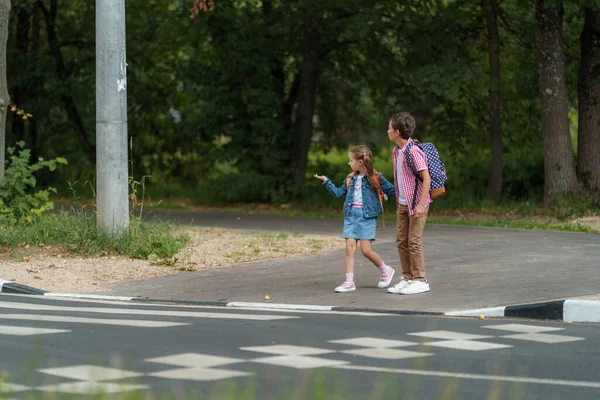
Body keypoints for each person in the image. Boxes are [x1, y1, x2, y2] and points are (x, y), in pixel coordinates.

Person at [313, 145, 396, 293]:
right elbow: (339, 193)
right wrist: (326, 181)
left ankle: (386, 270)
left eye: (351, 160)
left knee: (366, 251)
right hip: (351, 216)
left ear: (360, 162)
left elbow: (393, 191)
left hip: (367, 217)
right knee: (350, 248)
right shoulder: (350, 177)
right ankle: (349, 282)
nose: (348, 163)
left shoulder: (376, 177)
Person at [386, 112, 431, 295]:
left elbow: (426, 179)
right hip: (403, 203)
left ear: (397, 132)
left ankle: (421, 279)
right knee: (401, 241)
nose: (387, 131)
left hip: (417, 203)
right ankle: (408, 277)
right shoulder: (396, 152)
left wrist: (421, 205)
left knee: (413, 241)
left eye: (389, 128)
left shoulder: (413, 151)